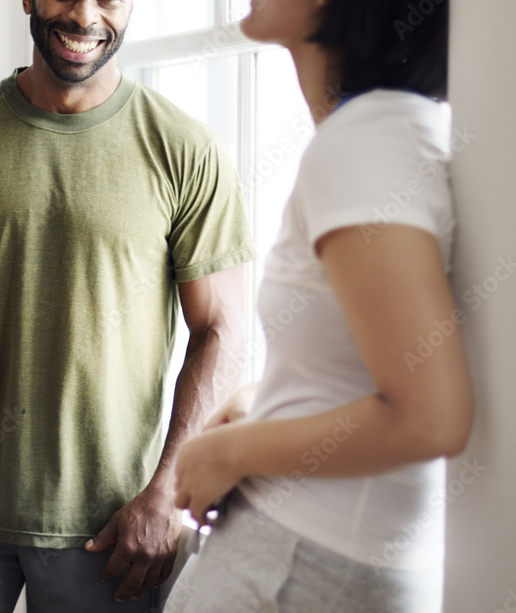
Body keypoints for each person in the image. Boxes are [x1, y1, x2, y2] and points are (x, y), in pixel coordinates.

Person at [0, 0, 257, 609]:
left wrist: (165, 493)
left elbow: (221, 328)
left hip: (113, 527)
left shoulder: (187, 149)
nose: (84, 15)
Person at [167, 0, 472, 611]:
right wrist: (263, 403)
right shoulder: (386, 132)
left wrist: (224, 452)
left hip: (299, 561)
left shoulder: (367, 141)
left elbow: (430, 418)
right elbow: (365, 358)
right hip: (306, 556)